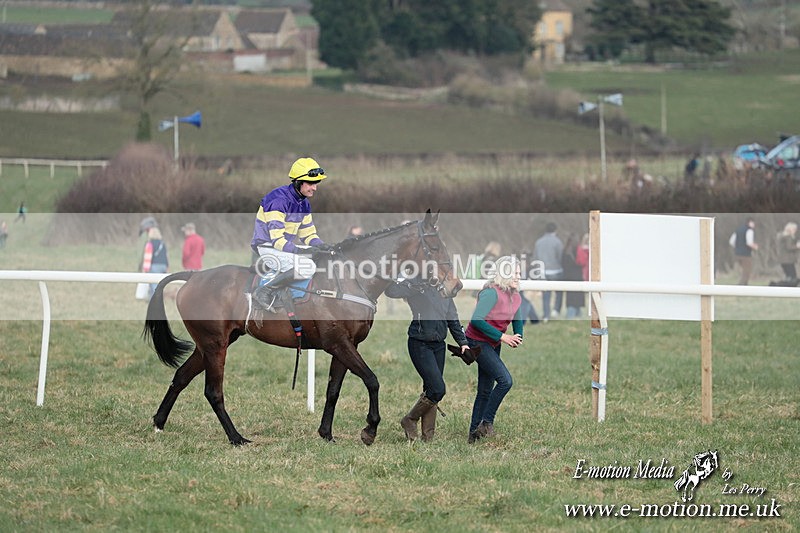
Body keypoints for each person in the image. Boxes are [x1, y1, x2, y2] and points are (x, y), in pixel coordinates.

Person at [385, 277, 470, 442]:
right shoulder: (417, 285)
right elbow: (391, 291)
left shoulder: (445, 291)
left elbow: (453, 319)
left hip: (439, 346)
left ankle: (427, 437)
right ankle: (410, 419)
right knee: (438, 389)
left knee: (431, 389)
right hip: (419, 343)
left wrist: (463, 343)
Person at [251, 157, 329, 308]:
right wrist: (299, 251)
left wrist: (323, 247)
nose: (315, 188)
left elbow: (308, 235)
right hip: (268, 248)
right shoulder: (278, 200)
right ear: (299, 182)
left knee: (322, 256)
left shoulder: (304, 203)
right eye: (311, 183)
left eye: (316, 184)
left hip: (283, 248)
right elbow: (278, 241)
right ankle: (264, 291)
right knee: (308, 267)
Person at [466, 255, 524, 444]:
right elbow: (476, 319)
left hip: (492, 343)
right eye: (515, 273)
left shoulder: (515, 295)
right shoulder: (491, 293)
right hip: (477, 342)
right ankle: (486, 422)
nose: (518, 276)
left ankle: (473, 435)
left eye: (519, 273)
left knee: (485, 389)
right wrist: (504, 337)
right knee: (505, 381)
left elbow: (517, 318)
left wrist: (518, 335)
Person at [533, 222, 563, 321]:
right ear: (555, 230)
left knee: (546, 295)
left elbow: (535, 257)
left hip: (543, 271)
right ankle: (556, 310)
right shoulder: (557, 242)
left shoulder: (539, 242)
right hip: (556, 270)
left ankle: (546, 315)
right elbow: (560, 256)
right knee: (559, 292)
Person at [729, 218, 758, 285]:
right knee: (747, 271)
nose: (754, 225)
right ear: (750, 223)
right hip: (746, 255)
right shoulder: (749, 231)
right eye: (753, 223)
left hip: (737, 254)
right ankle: (742, 285)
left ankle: (742, 284)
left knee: (741, 270)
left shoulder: (738, 230)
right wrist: (755, 247)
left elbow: (731, 242)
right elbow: (749, 243)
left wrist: (738, 247)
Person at [561, 234, 585, 318]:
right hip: (578, 277)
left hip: (568, 278)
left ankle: (571, 316)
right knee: (577, 300)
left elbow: (563, 264)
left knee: (571, 300)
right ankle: (577, 316)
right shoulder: (578, 250)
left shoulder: (565, 251)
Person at [141, 226, 168, 299]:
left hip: (154, 266)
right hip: (163, 265)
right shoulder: (162, 244)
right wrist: (167, 266)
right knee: (160, 284)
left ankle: (154, 300)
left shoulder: (150, 244)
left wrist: (145, 269)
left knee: (154, 285)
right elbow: (166, 255)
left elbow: (148, 257)